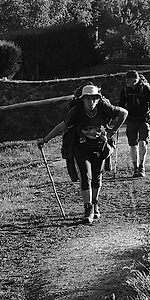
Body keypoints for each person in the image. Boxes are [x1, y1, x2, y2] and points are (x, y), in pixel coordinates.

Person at [37, 84, 127, 224]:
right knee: (85, 176)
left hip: (100, 146)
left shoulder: (104, 107)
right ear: (83, 99)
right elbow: (62, 126)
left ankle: (95, 203)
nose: (91, 102)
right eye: (88, 99)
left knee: (97, 176)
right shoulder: (76, 111)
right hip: (81, 147)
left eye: (94, 99)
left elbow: (124, 113)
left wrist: (112, 132)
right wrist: (45, 139)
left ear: (98, 99)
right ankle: (88, 208)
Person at [117, 70, 150, 177]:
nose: (126, 81)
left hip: (144, 119)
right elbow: (121, 106)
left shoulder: (145, 89)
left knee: (142, 143)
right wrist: (119, 118)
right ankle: (135, 168)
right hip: (131, 119)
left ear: (134, 80)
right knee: (132, 145)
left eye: (128, 79)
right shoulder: (125, 90)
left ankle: (141, 166)